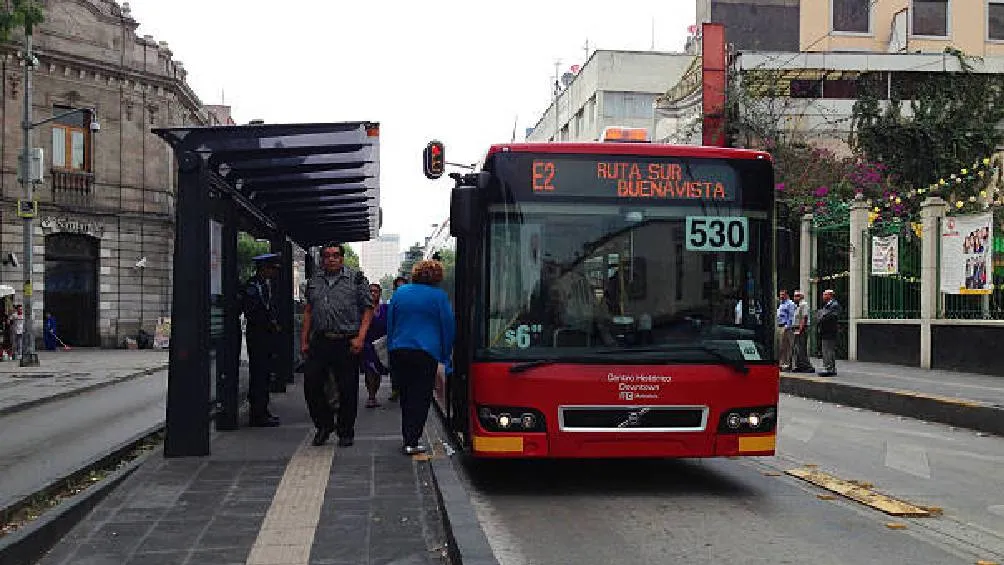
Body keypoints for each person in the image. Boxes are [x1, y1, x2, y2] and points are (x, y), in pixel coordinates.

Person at [301, 242, 373, 447]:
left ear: (342, 258)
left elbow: (368, 309)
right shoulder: (314, 281)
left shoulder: (356, 279)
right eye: (327, 256)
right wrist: (304, 340)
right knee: (311, 385)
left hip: (346, 341)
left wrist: (360, 338)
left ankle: (345, 430)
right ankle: (324, 424)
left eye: (335, 255)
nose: (331, 259)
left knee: (347, 388)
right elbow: (308, 310)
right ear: (322, 259)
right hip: (320, 340)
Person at [387, 260, 455, 455]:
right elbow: (447, 327)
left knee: (406, 396)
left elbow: (391, 323)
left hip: (400, 350)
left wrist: (392, 347)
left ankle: (407, 436)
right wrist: (445, 355)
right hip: (426, 353)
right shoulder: (439, 297)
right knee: (421, 396)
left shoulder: (401, 293)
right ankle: (412, 440)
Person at [241, 253, 281, 427]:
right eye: (272, 268)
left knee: (264, 375)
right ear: (264, 268)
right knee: (259, 374)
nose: (274, 272)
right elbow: (254, 311)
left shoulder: (264, 285)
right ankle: (258, 414)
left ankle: (262, 411)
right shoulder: (252, 286)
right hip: (258, 335)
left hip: (265, 335)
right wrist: (270, 323)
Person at [362, 283, 389, 408]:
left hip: (382, 344)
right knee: (369, 370)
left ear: (380, 293)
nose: (373, 294)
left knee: (378, 371)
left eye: (376, 291)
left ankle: (374, 393)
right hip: (367, 344)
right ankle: (371, 396)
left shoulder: (385, 308)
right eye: (371, 291)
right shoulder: (363, 309)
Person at [387, 276, 409, 402]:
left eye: (403, 286)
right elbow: (390, 323)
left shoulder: (413, 301)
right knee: (395, 368)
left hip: (410, 342)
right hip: (396, 342)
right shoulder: (393, 301)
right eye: (398, 287)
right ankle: (396, 388)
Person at [817, 289, 841, 377]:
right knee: (825, 350)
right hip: (825, 331)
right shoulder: (827, 305)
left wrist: (822, 316)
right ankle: (827, 366)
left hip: (830, 331)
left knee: (828, 350)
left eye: (825, 295)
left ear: (830, 295)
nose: (823, 296)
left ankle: (829, 368)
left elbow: (831, 316)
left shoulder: (834, 305)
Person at [791, 290, 815, 373]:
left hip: (801, 328)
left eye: (797, 296)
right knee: (797, 348)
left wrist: (799, 330)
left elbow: (804, 318)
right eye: (794, 296)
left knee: (801, 348)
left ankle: (807, 366)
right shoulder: (798, 306)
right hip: (797, 328)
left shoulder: (804, 305)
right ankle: (799, 365)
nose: (795, 298)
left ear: (801, 297)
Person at [775, 290, 796, 371]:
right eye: (780, 295)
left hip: (785, 327)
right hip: (780, 326)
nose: (781, 296)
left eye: (783, 295)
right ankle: (781, 363)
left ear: (787, 295)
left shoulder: (790, 304)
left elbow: (791, 316)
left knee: (787, 346)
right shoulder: (781, 304)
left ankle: (787, 364)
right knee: (781, 346)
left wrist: (787, 326)